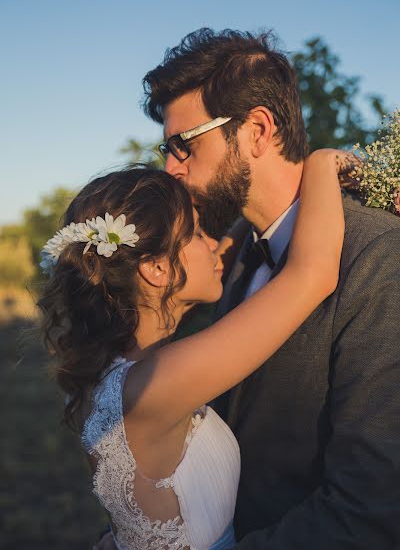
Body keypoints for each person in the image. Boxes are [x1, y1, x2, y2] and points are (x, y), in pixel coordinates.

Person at [140, 28, 400, 549]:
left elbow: (372, 508)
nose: (171, 167)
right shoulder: (231, 261)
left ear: (257, 130)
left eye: (183, 144)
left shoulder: (380, 258)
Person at [39, 154, 343, 550]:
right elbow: (313, 273)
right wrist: (322, 162)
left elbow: (222, 252)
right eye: (198, 234)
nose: (215, 244)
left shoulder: (112, 375)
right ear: (156, 269)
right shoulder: (157, 383)